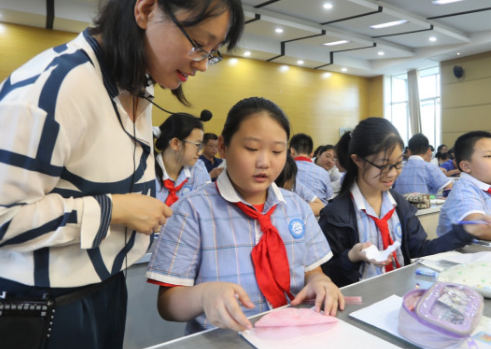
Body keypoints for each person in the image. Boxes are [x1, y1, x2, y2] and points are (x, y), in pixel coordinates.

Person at [0, 0, 244, 349]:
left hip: (103, 291)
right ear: (145, 10)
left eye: (212, 53)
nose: (201, 64)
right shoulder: (55, 89)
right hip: (34, 306)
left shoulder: (139, 86)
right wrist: (116, 210)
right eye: (198, 44)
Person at [146, 97, 344, 333]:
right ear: (223, 146)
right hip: (226, 345)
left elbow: (312, 270)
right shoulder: (191, 211)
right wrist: (201, 296)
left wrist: (319, 281)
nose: (264, 162)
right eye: (251, 149)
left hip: (293, 336)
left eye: (277, 151)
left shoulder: (296, 207)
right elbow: (167, 305)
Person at [318, 118, 491, 288]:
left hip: (402, 295)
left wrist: (464, 232)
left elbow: (421, 251)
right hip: (359, 303)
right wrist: (351, 257)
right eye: (384, 165)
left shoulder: (399, 205)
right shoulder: (336, 214)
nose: (393, 173)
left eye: (398, 164)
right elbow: (326, 275)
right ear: (358, 161)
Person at [154, 114, 210, 206]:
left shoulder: (198, 169)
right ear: (175, 143)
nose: (200, 153)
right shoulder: (146, 171)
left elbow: (205, 207)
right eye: (197, 145)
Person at [289, 133, 334, 203]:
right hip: (319, 212)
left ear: (292, 151)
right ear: (312, 154)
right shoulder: (323, 173)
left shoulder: (284, 170)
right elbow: (329, 197)